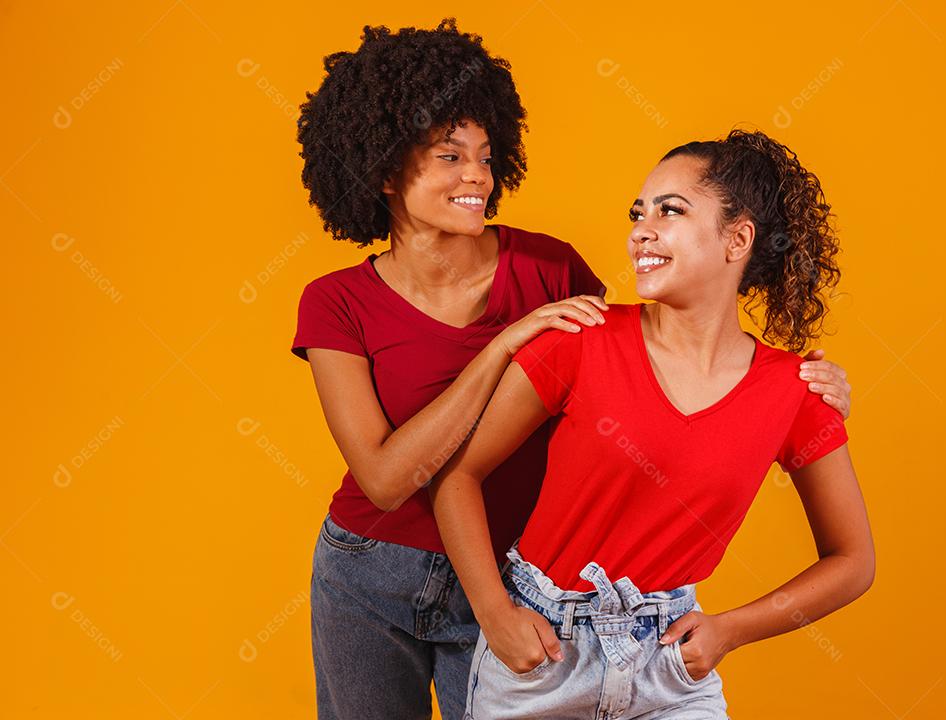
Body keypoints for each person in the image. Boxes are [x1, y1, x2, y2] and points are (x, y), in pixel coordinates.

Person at [292, 18, 854, 720]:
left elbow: (656, 356)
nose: (478, 177)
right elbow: (383, 479)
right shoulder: (336, 303)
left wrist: (801, 395)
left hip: (507, 574)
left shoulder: (550, 269)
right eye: (449, 156)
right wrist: (501, 347)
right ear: (380, 167)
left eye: (487, 157)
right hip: (369, 572)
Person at [428, 129, 875, 719]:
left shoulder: (795, 391)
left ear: (737, 239)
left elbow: (852, 561)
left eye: (671, 211)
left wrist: (729, 631)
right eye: (638, 213)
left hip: (669, 670)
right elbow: (458, 475)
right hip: (541, 660)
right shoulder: (580, 341)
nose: (642, 229)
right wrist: (493, 612)